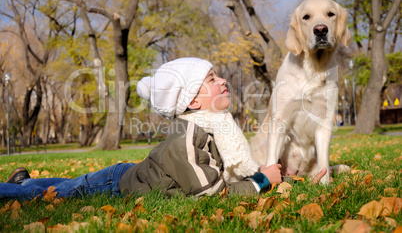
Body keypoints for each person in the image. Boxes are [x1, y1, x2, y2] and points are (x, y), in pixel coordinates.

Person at [0, 57, 327, 200]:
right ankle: (18, 189)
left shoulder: (216, 125)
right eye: (211, 80)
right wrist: (261, 181)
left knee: (73, 183)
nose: (223, 80)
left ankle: (24, 180)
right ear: (193, 102)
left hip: (130, 172)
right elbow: (211, 195)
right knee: (56, 194)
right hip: (120, 186)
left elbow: (224, 169)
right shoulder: (189, 136)